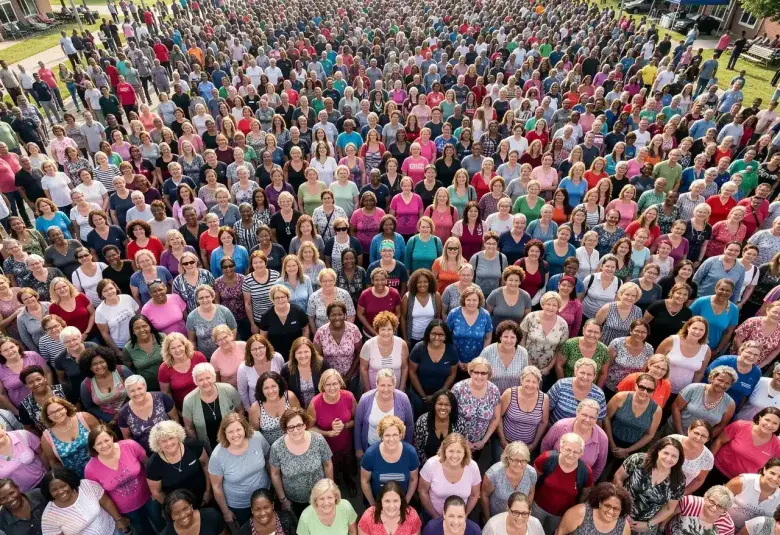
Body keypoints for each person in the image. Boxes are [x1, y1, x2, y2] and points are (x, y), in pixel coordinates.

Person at [83, 424, 164, 534]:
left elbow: (148, 464)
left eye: (106, 440)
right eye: (99, 443)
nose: (104, 445)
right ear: (93, 447)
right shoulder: (90, 470)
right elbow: (101, 497)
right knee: (143, 531)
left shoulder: (130, 446)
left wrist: (156, 491)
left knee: (161, 523)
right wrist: (118, 518)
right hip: (127, 510)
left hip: (149, 497)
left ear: (112, 437)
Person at [268, 407, 334, 517]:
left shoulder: (318, 440)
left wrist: (330, 489)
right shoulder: (277, 447)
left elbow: (328, 464)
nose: (296, 430)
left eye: (299, 425)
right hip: (294, 500)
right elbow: (275, 474)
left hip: (320, 496)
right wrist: (283, 499)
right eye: (291, 427)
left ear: (305, 425)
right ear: (285, 428)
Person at [208, 413, 271, 527]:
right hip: (240, 505)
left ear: (245, 429)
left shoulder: (257, 438)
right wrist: (226, 512)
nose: (235, 435)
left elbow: (268, 459)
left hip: (265, 495)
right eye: (230, 431)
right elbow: (216, 487)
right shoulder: (217, 456)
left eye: (238, 429)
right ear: (224, 433)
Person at [613, 437, 686, 533]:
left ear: (679, 459)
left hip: (644, 526)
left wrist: (649, 524)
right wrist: (622, 509)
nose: (669, 459)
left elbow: (669, 508)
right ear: (658, 451)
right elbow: (618, 478)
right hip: (618, 512)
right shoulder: (639, 460)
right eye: (666, 453)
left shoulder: (679, 481)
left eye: (674, 456)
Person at [532, 433, 594, 533]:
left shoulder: (586, 472)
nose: (571, 455)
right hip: (538, 507)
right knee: (532, 530)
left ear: (581, 453)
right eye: (568, 449)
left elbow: (585, 495)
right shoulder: (546, 458)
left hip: (561, 514)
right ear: (561, 447)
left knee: (549, 532)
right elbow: (532, 480)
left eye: (576, 452)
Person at [308, 369, 357, 494]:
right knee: (331, 470)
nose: (332, 388)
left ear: (340, 383)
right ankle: (335, 487)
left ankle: (349, 482)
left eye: (335, 384)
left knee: (348, 467)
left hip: (346, 442)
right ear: (322, 386)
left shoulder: (349, 397)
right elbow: (309, 428)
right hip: (326, 445)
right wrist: (327, 433)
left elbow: (356, 420)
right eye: (328, 384)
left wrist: (344, 425)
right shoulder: (315, 403)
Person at [40, 467, 131, 535]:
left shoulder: (87, 485)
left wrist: (119, 520)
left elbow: (106, 502)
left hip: (113, 530)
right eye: (54, 490)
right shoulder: (49, 517)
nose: (60, 491)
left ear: (70, 482)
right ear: (48, 492)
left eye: (63, 486)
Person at [708, 407, 780, 487]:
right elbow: (719, 441)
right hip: (716, 471)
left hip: (742, 484)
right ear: (760, 417)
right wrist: (707, 463)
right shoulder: (740, 425)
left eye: (775, 423)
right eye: (767, 420)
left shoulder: (777, 446)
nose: (769, 425)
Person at [146, 420, 211, 508]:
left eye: (171, 438)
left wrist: (208, 491)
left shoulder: (193, 446)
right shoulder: (153, 464)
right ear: (158, 444)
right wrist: (175, 509)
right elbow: (157, 492)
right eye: (163, 441)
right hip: (178, 508)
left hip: (203, 497)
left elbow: (206, 465)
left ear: (178, 436)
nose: (169, 443)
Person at [419, 432, 481, 519]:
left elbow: (475, 494)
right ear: (444, 450)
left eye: (459, 451)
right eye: (451, 451)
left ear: (465, 453)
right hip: (432, 515)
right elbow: (423, 491)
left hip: (459, 518)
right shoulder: (431, 464)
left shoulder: (472, 467)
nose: (455, 456)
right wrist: (435, 517)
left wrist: (465, 515)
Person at [360, 414, 419, 506]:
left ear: (401, 435)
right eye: (387, 435)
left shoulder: (410, 453)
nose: (391, 439)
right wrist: (373, 505)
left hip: (402, 502)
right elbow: (365, 481)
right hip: (378, 501)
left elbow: (413, 479)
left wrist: (406, 502)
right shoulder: (370, 454)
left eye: (395, 434)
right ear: (381, 436)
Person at [182, 362, 242, 453]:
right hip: (208, 446)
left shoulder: (228, 390)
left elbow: (240, 410)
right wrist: (199, 447)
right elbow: (189, 427)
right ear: (195, 381)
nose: (205, 382)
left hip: (233, 439)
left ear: (214, 377)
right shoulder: (188, 401)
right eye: (201, 380)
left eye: (208, 378)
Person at [670, 367, 738, 439]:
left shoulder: (730, 404)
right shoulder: (694, 388)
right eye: (720, 380)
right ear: (712, 378)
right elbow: (676, 408)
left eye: (727, 383)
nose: (722, 385)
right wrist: (680, 433)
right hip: (674, 431)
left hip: (699, 440)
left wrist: (705, 439)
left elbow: (721, 425)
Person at [117, 375, 177, 454]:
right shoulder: (123, 413)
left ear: (145, 387)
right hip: (147, 452)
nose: (137, 393)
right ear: (127, 393)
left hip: (170, 443)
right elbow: (128, 438)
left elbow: (175, 419)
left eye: (139, 388)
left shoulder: (161, 397)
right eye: (132, 391)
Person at [481, 441, 537, 520]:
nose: (519, 464)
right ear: (507, 458)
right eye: (515, 460)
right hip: (496, 515)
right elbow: (484, 495)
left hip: (519, 517)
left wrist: (526, 512)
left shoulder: (531, 473)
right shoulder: (493, 474)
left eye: (523, 460)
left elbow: (531, 493)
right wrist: (487, 518)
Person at [78, 346, 132, 424]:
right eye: (94, 364)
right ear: (89, 367)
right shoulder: (85, 384)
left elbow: (136, 390)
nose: (99, 366)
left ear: (107, 361)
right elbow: (89, 407)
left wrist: (123, 412)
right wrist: (110, 418)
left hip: (131, 411)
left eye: (101, 362)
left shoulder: (122, 371)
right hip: (108, 422)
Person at [556, 482, 632, 535]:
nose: (611, 511)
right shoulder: (579, 513)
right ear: (599, 503)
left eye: (616, 508)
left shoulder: (623, 526)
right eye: (607, 505)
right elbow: (560, 533)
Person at [725, 458, 780, 530]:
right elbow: (717, 499)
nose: (775, 479)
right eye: (772, 473)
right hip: (724, 525)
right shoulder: (742, 482)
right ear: (765, 470)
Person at [158, 333, 208, 410]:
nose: (177, 350)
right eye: (173, 348)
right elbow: (166, 394)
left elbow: (210, 377)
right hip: (183, 408)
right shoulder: (164, 368)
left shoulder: (198, 357)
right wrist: (175, 413)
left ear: (185, 345)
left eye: (179, 346)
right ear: (168, 351)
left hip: (206, 401)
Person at [360, 311, 408, 391]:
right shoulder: (367, 345)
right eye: (383, 329)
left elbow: (405, 367)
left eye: (389, 329)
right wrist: (368, 390)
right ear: (377, 330)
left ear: (394, 330)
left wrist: (402, 388)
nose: (386, 333)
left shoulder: (402, 344)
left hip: (395, 390)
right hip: (374, 390)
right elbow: (363, 369)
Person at [358, 480, 423, 535]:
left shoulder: (412, 516)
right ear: (381, 501)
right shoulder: (368, 517)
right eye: (387, 501)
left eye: (395, 501)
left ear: (401, 501)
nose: (391, 506)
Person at [666, 485, 736, 535]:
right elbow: (669, 513)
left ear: (725, 510)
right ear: (706, 497)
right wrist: (660, 529)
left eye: (720, 506)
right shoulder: (690, 502)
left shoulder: (728, 527)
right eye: (712, 502)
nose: (714, 508)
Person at [163, 488, 229, 535]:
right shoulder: (169, 532)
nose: (183, 515)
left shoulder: (212, 516)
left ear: (191, 506)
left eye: (185, 508)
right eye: (176, 513)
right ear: (171, 516)